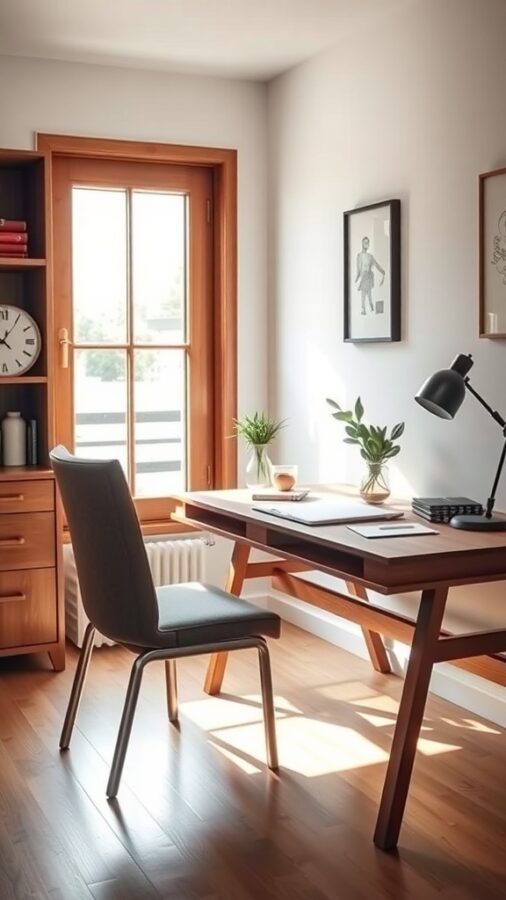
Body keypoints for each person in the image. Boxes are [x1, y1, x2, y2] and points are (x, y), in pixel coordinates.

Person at [355, 236, 385, 314]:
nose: (367, 244)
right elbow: (358, 270)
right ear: (362, 243)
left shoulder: (370, 256)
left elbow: (376, 265)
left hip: (369, 278)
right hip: (363, 277)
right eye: (365, 243)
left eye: (368, 243)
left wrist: (383, 272)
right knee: (363, 295)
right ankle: (364, 309)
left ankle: (371, 308)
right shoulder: (359, 256)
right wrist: (356, 280)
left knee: (369, 295)